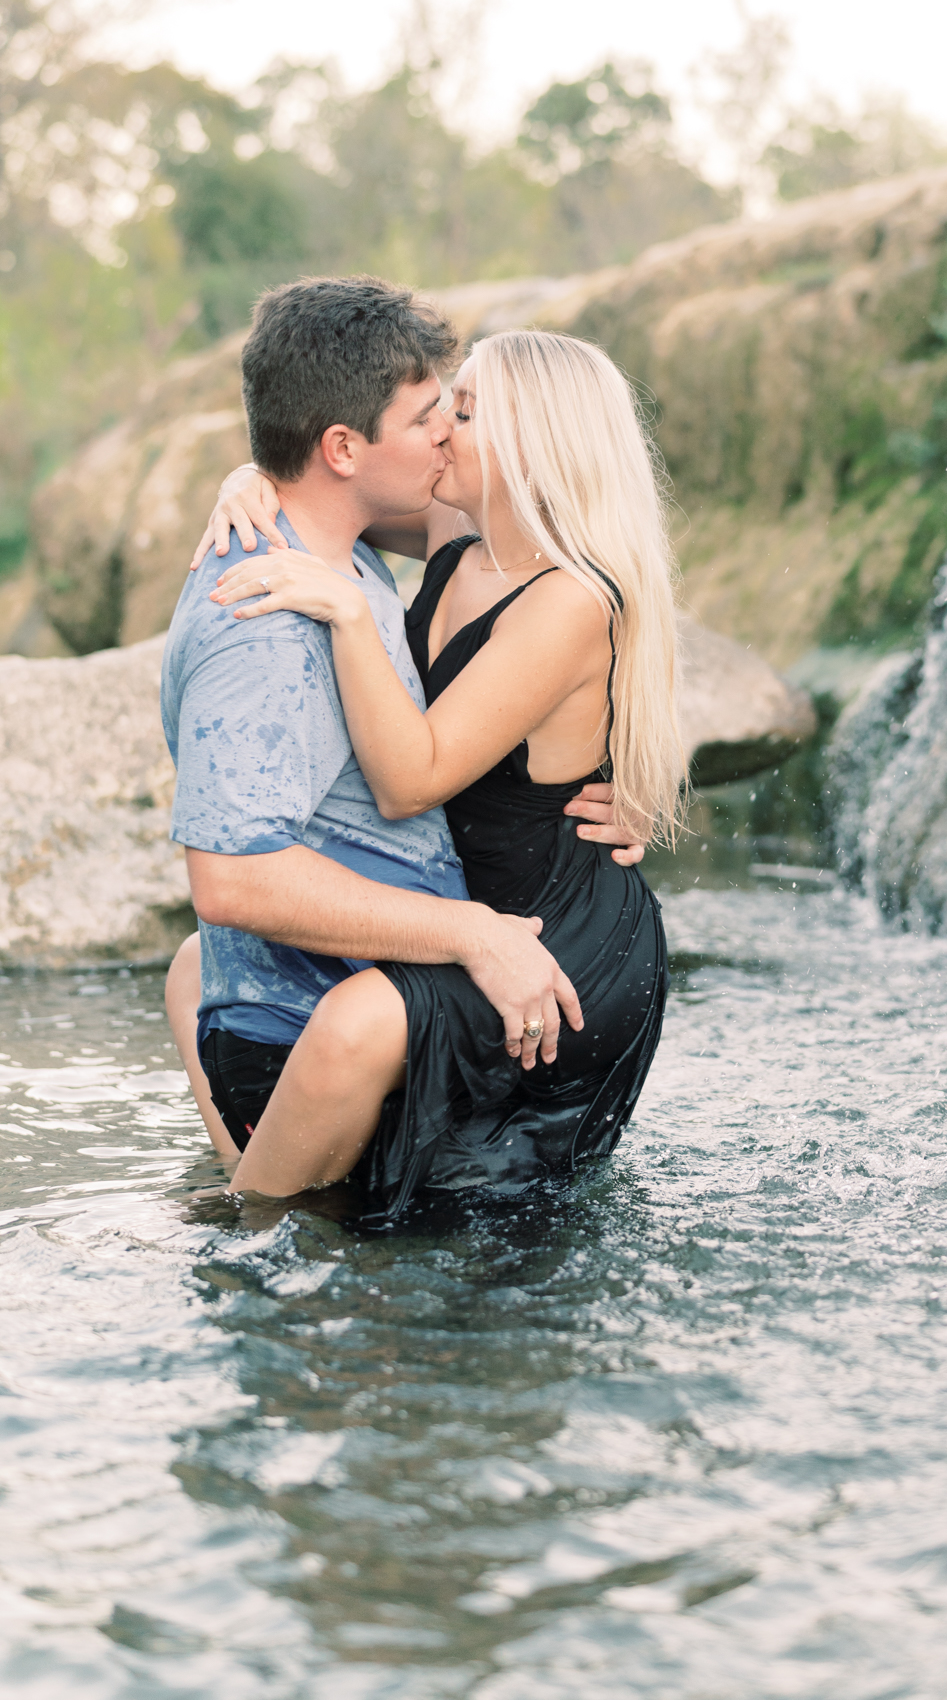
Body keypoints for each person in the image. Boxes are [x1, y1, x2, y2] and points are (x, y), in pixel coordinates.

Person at [161, 277, 649, 1208]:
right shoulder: (441, 534)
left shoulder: (546, 586)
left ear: (532, 446)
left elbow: (418, 772)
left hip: (551, 919)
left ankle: (245, 1217)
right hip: (471, 905)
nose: (442, 432)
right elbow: (318, 477)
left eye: (460, 412)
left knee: (356, 1062)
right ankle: (270, 1204)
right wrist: (253, 476)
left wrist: (347, 606)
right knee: (202, 968)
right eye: (438, 410)